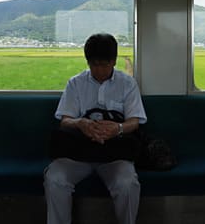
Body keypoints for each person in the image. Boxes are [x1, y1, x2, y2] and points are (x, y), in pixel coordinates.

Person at [44, 33, 147, 224]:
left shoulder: (128, 84)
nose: (99, 70)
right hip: (78, 153)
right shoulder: (76, 83)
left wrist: (117, 128)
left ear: (114, 61)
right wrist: (81, 123)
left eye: (104, 65)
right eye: (94, 65)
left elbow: (135, 121)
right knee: (55, 178)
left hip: (114, 154)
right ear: (87, 62)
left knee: (127, 183)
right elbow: (65, 120)